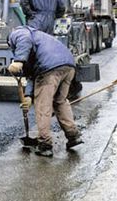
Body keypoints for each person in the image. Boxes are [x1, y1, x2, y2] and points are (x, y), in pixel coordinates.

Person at [6, 26, 83, 157]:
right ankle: (73, 136)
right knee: (60, 101)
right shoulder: (39, 38)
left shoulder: (18, 32)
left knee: (43, 105)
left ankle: (45, 144)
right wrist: (28, 96)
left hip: (49, 69)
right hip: (68, 66)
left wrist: (18, 61)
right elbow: (32, 75)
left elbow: (24, 38)